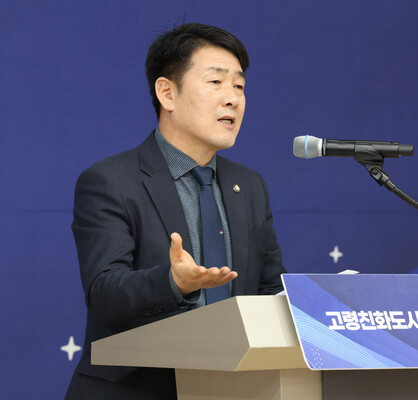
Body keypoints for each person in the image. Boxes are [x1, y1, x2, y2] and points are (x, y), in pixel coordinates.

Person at [65, 23, 286, 399]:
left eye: (239, 86)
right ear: (167, 93)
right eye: (216, 82)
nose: (232, 99)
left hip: (235, 387)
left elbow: (269, 290)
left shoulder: (249, 186)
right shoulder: (110, 181)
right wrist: (175, 283)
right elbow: (105, 294)